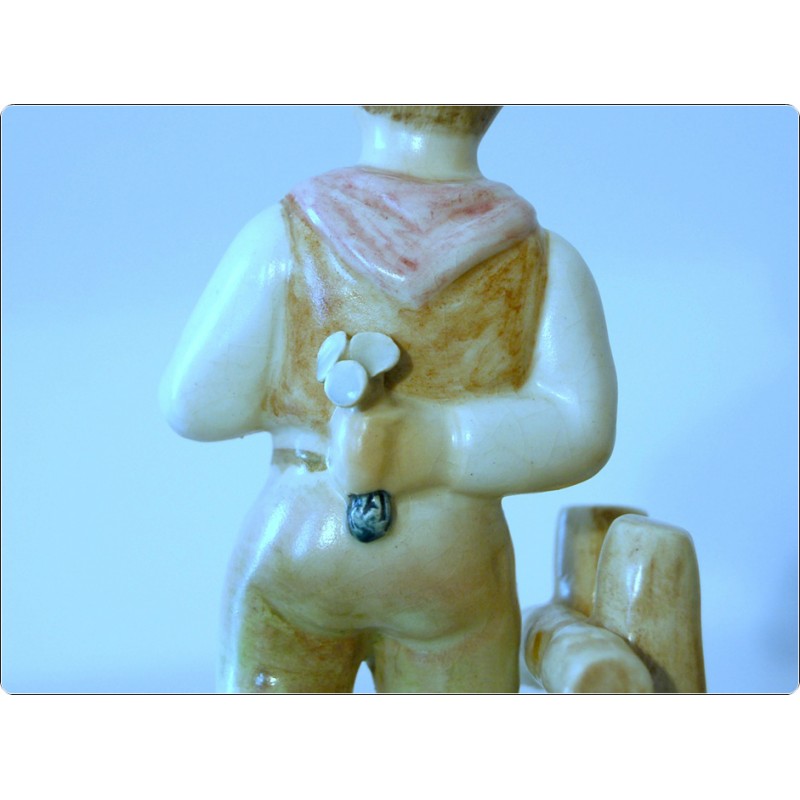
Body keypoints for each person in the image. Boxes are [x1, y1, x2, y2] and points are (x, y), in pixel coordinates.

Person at [160, 105, 617, 692]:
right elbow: (580, 427)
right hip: (451, 567)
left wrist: (307, 401)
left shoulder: (282, 236)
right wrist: (444, 443)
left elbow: (194, 404)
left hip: (300, 546)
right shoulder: (546, 260)